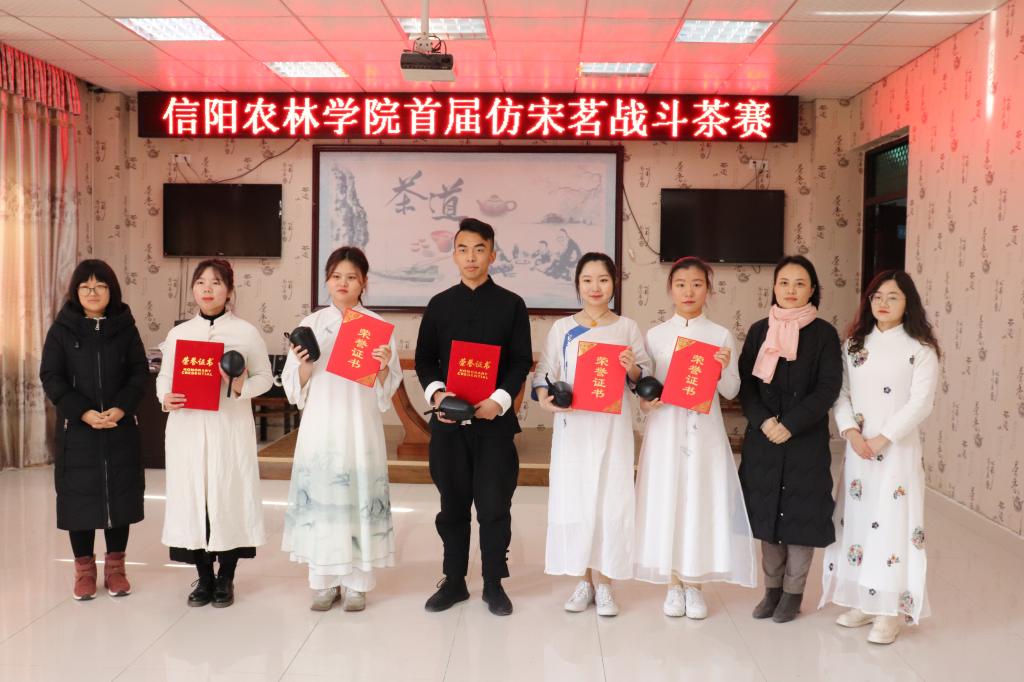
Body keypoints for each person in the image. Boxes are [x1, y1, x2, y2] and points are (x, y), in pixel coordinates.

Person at [415, 217, 532, 616]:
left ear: (492, 255)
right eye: (463, 249)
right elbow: (425, 360)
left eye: (479, 249)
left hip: (494, 425)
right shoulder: (439, 304)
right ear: (454, 256)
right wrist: (438, 395)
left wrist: (499, 400)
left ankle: (494, 583)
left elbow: (520, 361)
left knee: (494, 505)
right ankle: (454, 581)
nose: (471, 257)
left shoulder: (512, 305)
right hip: (448, 425)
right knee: (452, 505)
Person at [819, 270, 940, 644]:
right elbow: (841, 394)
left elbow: (921, 403)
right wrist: (851, 433)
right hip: (859, 451)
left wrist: (883, 438)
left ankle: (890, 611)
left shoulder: (921, 349)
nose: (883, 303)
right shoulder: (854, 345)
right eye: (877, 296)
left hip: (897, 451)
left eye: (893, 297)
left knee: (892, 524)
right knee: (858, 522)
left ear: (908, 303)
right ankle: (865, 601)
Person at [634, 257, 757, 619]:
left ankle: (695, 584)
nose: (689, 291)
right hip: (665, 430)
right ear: (670, 289)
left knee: (700, 502)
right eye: (681, 284)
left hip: (704, 433)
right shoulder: (656, 335)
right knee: (669, 500)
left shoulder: (720, 335)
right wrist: (646, 404)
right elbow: (645, 391)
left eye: (697, 284)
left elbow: (732, 390)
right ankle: (673, 584)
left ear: (708, 290)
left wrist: (722, 368)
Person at [280, 246, 402, 612]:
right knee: (322, 498)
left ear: (364, 282)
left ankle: (357, 584)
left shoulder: (375, 327)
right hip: (321, 425)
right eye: (336, 277)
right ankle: (323, 581)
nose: (343, 283)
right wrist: (303, 365)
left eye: (351, 277)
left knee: (358, 496)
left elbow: (389, 385)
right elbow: (293, 385)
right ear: (327, 281)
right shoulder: (312, 324)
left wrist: (384, 366)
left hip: (360, 426)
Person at [533, 252, 650, 617]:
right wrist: (545, 398)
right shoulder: (563, 328)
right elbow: (545, 371)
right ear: (578, 285)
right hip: (575, 427)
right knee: (576, 499)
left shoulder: (627, 327)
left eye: (602, 279)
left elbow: (644, 378)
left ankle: (606, 582)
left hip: (613, 428)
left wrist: (632, 368)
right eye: (587, 280)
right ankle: (583, 580)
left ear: (613, 284)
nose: (595, 287)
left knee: (611, 500)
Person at [156, 259, 273, 608]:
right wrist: (165, 397)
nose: (207, 289)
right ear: (193, 289)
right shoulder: (179, 334)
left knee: (227, 499)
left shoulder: (245, 333)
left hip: (228, 429)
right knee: (195, 502)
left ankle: (226, 578)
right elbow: (165, 377)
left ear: (229, 290)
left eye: (216, 282)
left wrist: (239, 386)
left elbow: (265, 378)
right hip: (188, 429)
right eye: (201, 282)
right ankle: (204, 577)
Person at [738, 255, 843, 623]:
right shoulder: (758, 331)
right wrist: (764, 421)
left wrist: (792, 424)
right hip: (764, 439)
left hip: (804, 441)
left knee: (801, 517)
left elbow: (828, 387)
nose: (791, 290)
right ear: (774, 288)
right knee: (768, 515)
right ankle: (772, 590)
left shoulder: (824, 334)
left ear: (812, 289)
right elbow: (746, 386)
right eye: (784, 282)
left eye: (800, 283)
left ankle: (793, 593)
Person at [40, 259, 148, 600]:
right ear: (76, 292)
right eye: (85, 286)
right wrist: (82, 412)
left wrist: (122, 407)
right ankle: (84, 571)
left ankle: (116, 569)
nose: (92, 292)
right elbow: (51, 376)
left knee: (120, 497)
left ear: (111, 290)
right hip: (78, 430)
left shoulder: (125, 328)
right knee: (79, 500)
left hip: (119, 427)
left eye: (100, 286)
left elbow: (139, 372)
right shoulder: (62, 330)